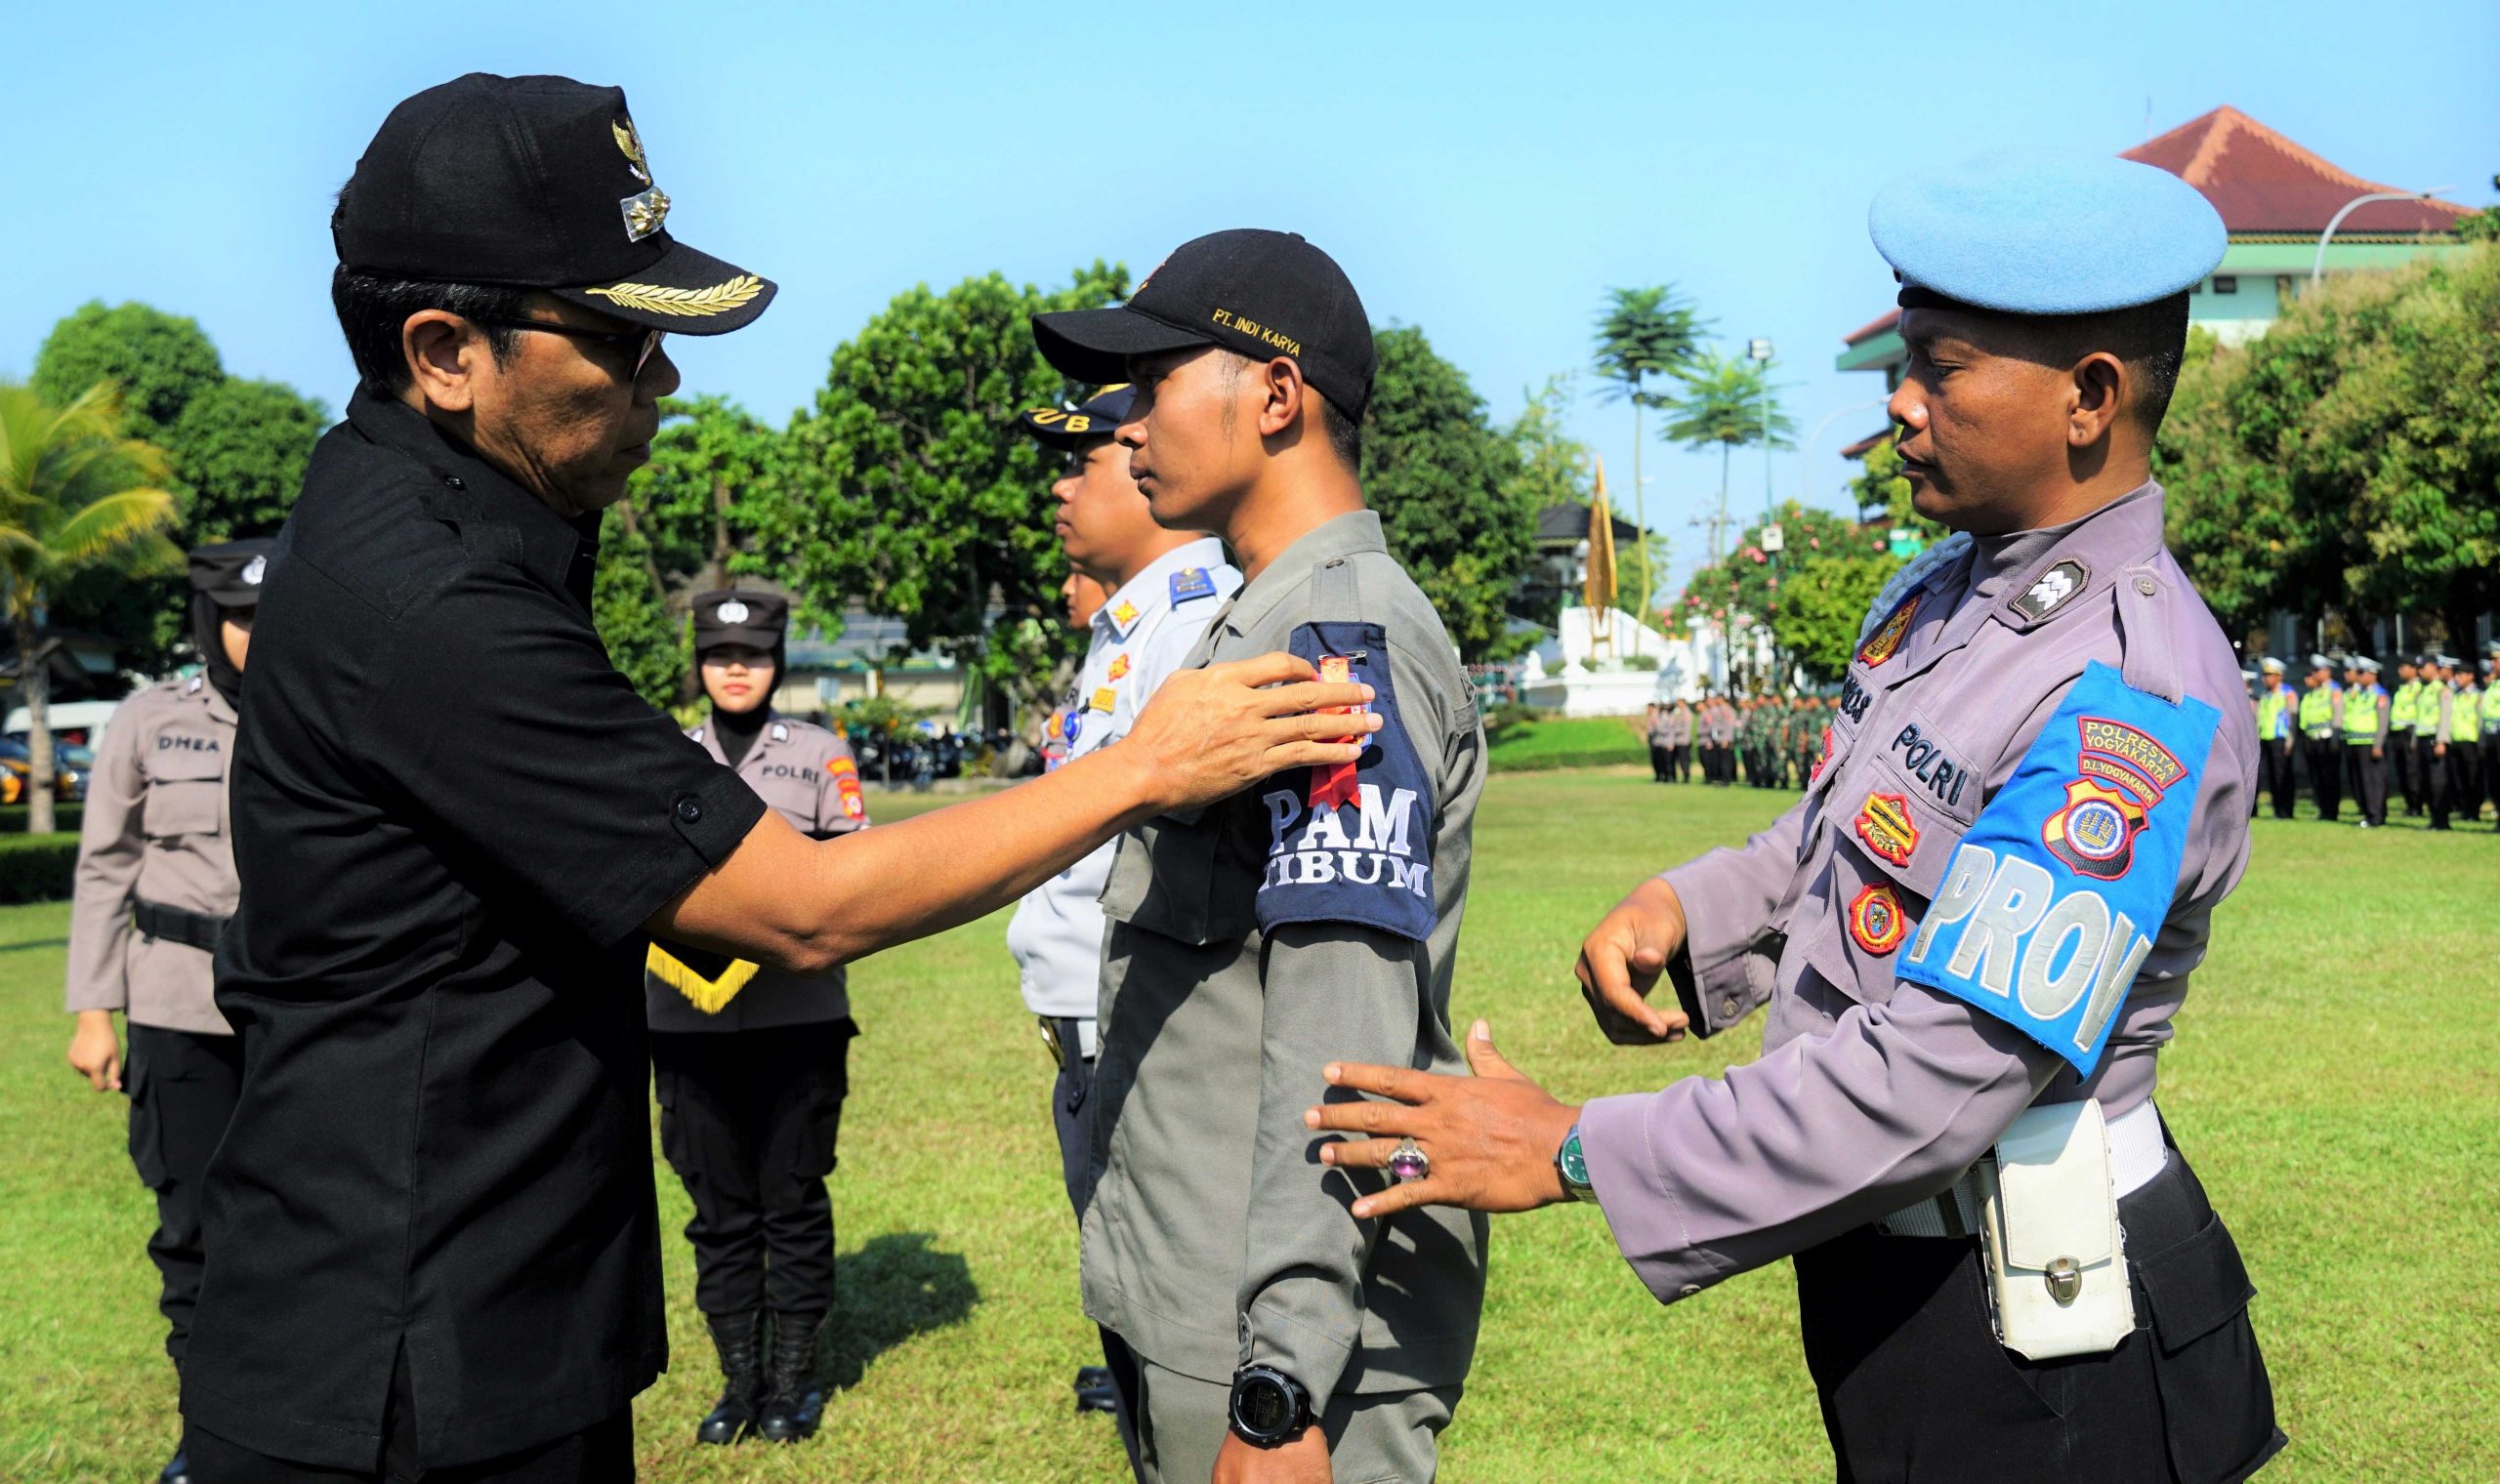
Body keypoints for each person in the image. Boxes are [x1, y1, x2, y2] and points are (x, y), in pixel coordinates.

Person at [181, 76, 1375, 1484]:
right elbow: (800, 904)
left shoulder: (438, 512)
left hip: (467, 1305)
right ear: (446, 351)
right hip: (406, 1352)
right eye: (621, 340)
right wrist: (1148, 764)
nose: (663, 384)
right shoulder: (431, 600)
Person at [1307, 151, 2285, 1482]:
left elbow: (1939, 1078)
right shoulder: (1953, 596)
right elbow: (1847, 836)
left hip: (2055, 1341)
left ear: (2089, 400)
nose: (1900, 405)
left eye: (1942, 369)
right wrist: (1690, 911)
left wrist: (1578, 1147)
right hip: (1905, 1282)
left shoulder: (2132, 695)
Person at [1030, 227, 1487, 1484]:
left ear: (1276, 396)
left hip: (1271, 1332)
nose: (1121, 427)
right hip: (1194, 1285)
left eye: (1154, 384)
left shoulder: (1335, 643)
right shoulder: (1262, 615)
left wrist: (1282, 1381)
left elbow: (1340, 1038)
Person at [1003, 380, 1240, 1457]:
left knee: (1175, 1355)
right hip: (1091, 1038)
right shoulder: (1132, 623)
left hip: (1136, 1034)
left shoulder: (1189, 622)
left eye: (1081, 457)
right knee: (1132, 1331)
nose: (1059, 484)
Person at [64, 538, 270, 1484]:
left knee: (299, 1229)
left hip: (297, 1016)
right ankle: (209, 1429)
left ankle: (295, 1426)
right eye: (239, 615)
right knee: (190, 1227)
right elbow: (105, 864)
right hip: (178, 1008)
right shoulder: (149, 720)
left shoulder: (329, 711)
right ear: (207, 617)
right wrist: (94, 1009)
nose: (255, 634)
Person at [645, 589, 869, 1447]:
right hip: (684, 1023)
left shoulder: (817, 754)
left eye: (754, 653)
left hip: (796, 1019)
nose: (736, 668)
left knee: (793, 1199)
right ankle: (739, 1380)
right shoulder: (660, 755)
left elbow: (850, 870)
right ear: (699, 662)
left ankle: (793, 1380)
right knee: (718, 1208)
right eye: (719, 653)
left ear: (778, 661)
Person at [2342, 655, 2389, 829]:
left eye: (2361, 673)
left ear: (2372, 674)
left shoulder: (2379, 694)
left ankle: (2376, 816)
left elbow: (2382, 722)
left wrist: (2378, 745)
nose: (2358, 676)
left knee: (2373, 781)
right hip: (2354, 742)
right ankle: (2368, 813)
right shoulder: (2357, 693)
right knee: (2361, 781)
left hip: (2369, 743)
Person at [2298, 652, 2343, 821]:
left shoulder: (2334, 690)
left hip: (2327, 738)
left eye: (2317, 670)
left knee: (2329, 776)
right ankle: (2323, 809)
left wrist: (2335, 736)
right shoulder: (2314, 692)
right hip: (2312, 738)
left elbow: (2337, 713)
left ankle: (2332, 811)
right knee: (2317, 777)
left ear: (2327, 671)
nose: (2314, 674)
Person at [2253, 656, 2298, 819]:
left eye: (2269, 675)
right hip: (2266, 739)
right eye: (2265, 675)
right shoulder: (2265, 695)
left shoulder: (2288, 693)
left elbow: (2292, 719)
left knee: (2283, 776)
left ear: (2279, 676)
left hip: (2281, 739)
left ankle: (2286, 810)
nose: (2265, 678)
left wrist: (2290, 741)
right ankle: (2277, 809)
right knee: (2271, 775)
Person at [2389, 655, 2424, 815]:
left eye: (2404, 667)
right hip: (2398, 732)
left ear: (2414, 669)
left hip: (2411, 731)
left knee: (2413, 770)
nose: (2399, 670)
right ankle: (2409, 803)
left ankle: (2417, 805)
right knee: (2402, 769)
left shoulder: (2419, 688)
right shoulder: (2401, 688)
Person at [1665, 697, 1694, 782]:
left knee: (1684, 761)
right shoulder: (1677, 712)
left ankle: (1686, 777)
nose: (1678, 705)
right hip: (1676, 741)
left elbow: (1685, 728)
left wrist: (1675, 728)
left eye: (1679, 703)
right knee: (1675, 761)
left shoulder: (1687, 713)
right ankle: (1675, 777)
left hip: (1684, 741)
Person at [1645, 702, 1675, 782]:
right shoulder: (1655, 716)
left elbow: (1666, 730)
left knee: (1667, 762)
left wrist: (1657, 726)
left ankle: (1669, 777)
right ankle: (1660, 776)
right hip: (1657, 742)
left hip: (1665, 742)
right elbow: (1651, 730)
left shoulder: (1666, 716)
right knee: (1658, 761)